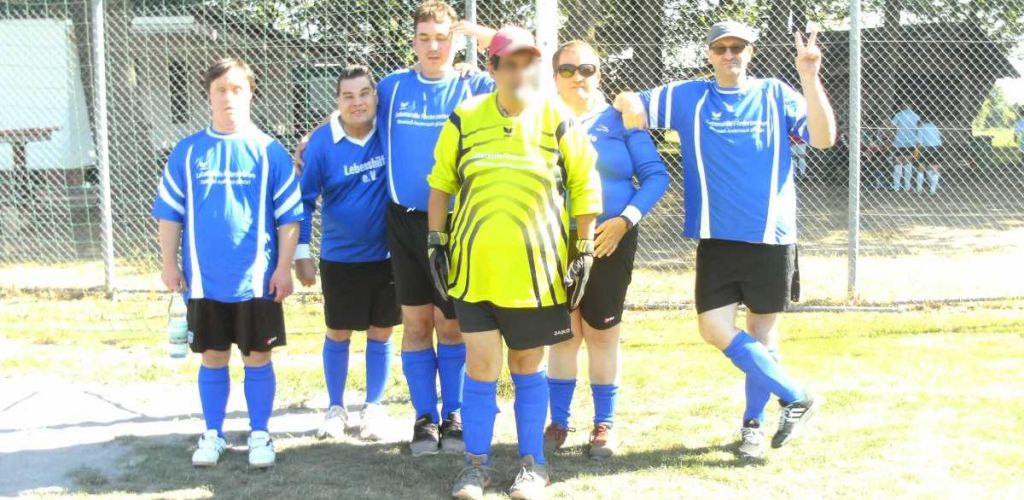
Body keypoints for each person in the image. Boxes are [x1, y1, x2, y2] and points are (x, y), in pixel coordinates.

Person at [614, 20, 836, 461]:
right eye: (721, 48)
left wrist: (810, 78)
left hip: (769, 238)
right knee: (713, 328)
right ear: (709, 54)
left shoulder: (775, 93)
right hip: (715, 238)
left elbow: (825, 139)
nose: (730, 54)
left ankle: (753, 427)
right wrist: (626, 100)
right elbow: (628, 100)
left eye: (738, 47)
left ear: (751, 52)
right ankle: (797, 396)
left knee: (762, 333)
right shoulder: (689, 96)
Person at [427, 26, 601, 500]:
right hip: (474, 271)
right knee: (481, 364)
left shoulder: (557, 118)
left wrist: (584, 248)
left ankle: (532, 465)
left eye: (529, 63)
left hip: (537, 276)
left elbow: (585, 186)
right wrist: (436, 242)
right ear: (493, 68)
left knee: (527, 364)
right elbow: (441, 183)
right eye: (511, 64)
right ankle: (475, 467)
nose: (521, 72)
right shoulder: (465, 117)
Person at [152, 57, 303, 468]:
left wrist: (283, 268)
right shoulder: (188, 152)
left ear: (251, 93)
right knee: (213, 356)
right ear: (209, 95)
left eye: (237, 89)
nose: (229, 97)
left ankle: (260, 434)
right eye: (221, 89)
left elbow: (290, 218)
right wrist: (169, 264)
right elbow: (170, 214)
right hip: (203, 281)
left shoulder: (270, 151)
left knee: (258, 358)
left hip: (256, 281)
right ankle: (213, 434)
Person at [374, 1, 495, 456]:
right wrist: (314, 136)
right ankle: (424, 418)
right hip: (404, 222)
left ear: (455, 41)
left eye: (442, 38)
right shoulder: (392, 87)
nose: (433, 47)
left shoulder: (474, 85)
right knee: (416, 323)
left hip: (455, 223)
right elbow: (354, 110)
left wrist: (476, 34)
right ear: (413, 42)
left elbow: (523, 59)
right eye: (424, 38)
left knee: (452, 325)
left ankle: (455, 414)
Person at [541, 40, 669, 458]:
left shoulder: (621, 119)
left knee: (601, 333)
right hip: (557, 241)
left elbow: (655, 176)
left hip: (609, 241)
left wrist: (623, 221)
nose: (578, 77)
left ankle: (604, 424)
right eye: (567, 69)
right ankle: (558, 422)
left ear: (599, 74)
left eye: (587, 69)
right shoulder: (541, 119)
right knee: (563, 335)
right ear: (554, 76)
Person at [294, 65, 399, 442]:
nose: (357, 103)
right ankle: (335, 407)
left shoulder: (389, 130)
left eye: (364, 94)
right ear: (337, 102)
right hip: (340, 258)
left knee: (381, 331)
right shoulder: (322, 144)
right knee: (338, 331)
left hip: (387, 256)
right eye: (348, 96)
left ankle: (374, 406)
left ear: (376, 97)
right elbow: (304, 201)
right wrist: (302, 252)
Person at [891, 103, 920, 192]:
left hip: (899, 141)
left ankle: (896, 186)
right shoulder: (916, 116)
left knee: (898, 162)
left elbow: (892, 127)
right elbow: (918, 129)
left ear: (903, 107)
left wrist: (892, 137)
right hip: (911, 142)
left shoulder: (898, 115)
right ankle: (907, 186)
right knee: (908, 162)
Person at [916, 118, 942, 194]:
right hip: (936, 147)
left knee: (921, 168)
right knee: (935, 168)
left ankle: (919, 188)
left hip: (925, 148)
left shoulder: (921, 128)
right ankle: (933, 189)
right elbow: (939, 139)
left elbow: (919, 142)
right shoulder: (934, 126)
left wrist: (917, 153)